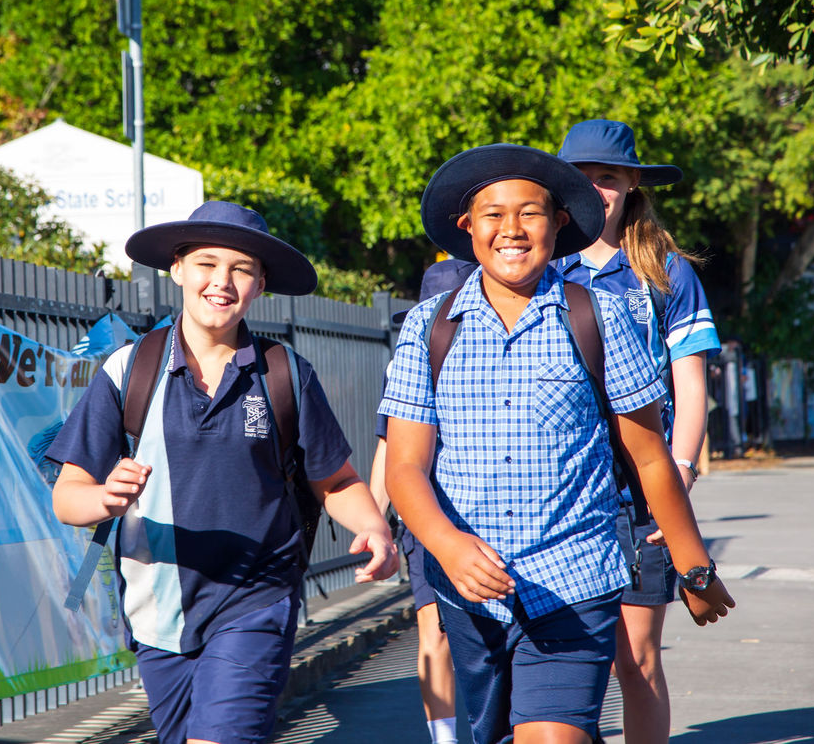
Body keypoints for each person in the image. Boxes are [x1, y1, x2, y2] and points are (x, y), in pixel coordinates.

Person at [381, 144, 734, 744]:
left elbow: (650, 457)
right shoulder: (428, 328)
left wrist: (693, 568)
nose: (511, 230)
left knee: (553, 735)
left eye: (530, 213)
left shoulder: (600, 316)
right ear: (467, 228)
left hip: (575, 582)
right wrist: (447, 546)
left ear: (559, 223)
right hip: (471, 597)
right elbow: (406, 465)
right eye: (492, 215)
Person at [48, 201, 398, 744]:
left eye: (241, 269)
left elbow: (336, 481)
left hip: (257, 596)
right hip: (157, 610)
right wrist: (105, 498)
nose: (222, 281)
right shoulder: (128, 370)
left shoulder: (285, 374)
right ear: (178, 269)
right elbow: (68, 497)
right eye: (207, 263)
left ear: (261, 285)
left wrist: (373, 527)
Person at [552, 119, 721, 744]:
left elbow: (693, 385)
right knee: (569, 659)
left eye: (609, 178)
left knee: (637, 657)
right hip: (561, 486)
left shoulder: (668, 273)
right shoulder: (538, 267)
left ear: (632, 187)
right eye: (583, 178)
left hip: (640, 489)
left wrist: (679, 475)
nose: (596, 189)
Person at [369, 258, 477, 744]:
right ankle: (446, 737)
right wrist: (373, 524)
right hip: (425, 519)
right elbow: (388, 449)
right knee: (433, 628)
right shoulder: (413, 364)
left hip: (493, 512)